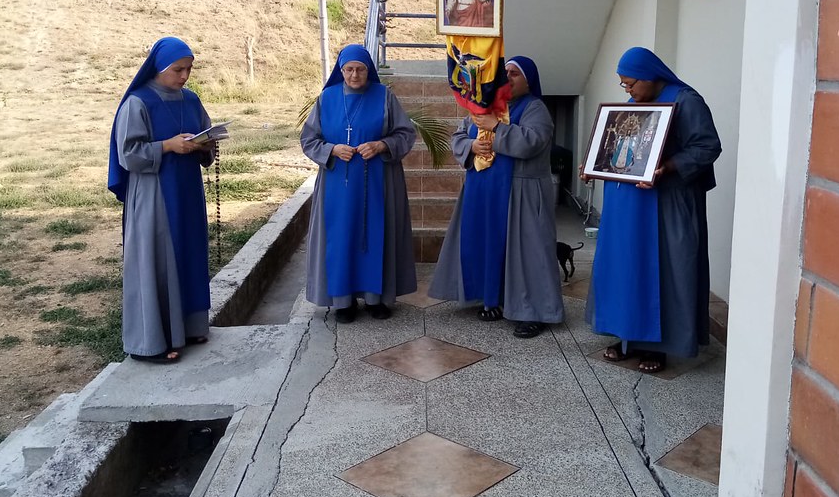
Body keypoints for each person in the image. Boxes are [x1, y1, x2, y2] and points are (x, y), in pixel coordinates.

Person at [585, 46, 721, 373]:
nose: (627, 91)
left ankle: (659, 347)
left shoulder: (687, 101)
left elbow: (708, 146)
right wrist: (595, 163)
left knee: (661, 270)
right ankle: (626, 336)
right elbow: (619, 146)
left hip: (666, 204)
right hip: (628, 205)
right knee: (627, 269)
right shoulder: (634, 104)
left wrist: (670, 165)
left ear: (650, 76)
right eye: (624, 86)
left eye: (630, 84)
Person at [430, 56, 564, 338]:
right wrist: (471, 145)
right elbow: (458, 135)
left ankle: (534, 311)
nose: (508, 78)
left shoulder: (535, 108)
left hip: (520, 192)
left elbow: (531, 142)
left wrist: (495, 127)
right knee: (488, 245)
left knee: (527, 253)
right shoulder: (483, 105)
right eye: (505, 73)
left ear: (529, 81)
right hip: (483, 190)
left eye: (515, 74)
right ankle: (493, 298)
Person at [107, 36, 215, 364]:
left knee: (188, 254)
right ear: (159, 67)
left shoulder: (191, 99)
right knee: (157, 262)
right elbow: (128, 153)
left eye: (189, 69)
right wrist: (167, 146)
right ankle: (151, 342)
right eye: (178, 70)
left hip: (186, 191)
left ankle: (191, 326)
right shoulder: (138, 103)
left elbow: (206, 132)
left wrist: (203, 144)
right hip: (153, 194)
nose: (184, 76)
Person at [300, 44, 417, 322]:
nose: (354, 75)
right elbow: (309, 139)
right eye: (349, 69)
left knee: (377, 234)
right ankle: (344, 302)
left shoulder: (384, 96)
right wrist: (331, 150)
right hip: (337, 186)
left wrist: (381, 144)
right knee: (341, 238)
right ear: (341, 71)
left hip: (379, 183)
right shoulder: (326, 99)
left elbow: (405, 133)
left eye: (360, 69)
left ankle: (377, 299)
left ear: (369, 71)